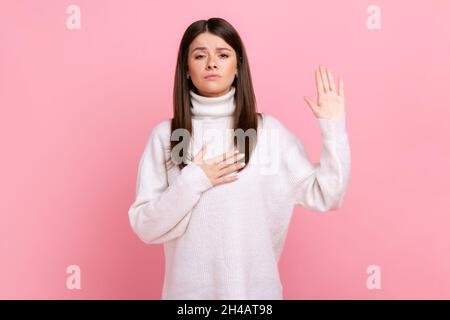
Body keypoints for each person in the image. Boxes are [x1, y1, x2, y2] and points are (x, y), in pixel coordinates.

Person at [128, 17, 351, 300]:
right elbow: (146, 226)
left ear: (238, 67)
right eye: (200, 55)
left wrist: (333, 128)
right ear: (186, 68)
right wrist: (195, 179)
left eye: (223, 54)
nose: (212, 63)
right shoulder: (166, 135)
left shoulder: (268, 132)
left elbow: (328, 195)